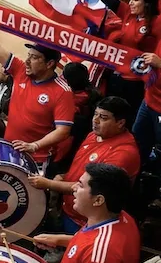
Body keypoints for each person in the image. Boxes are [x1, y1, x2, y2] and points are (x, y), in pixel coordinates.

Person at [31, 97, 140, 232]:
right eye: (95, 114)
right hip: (68, 209)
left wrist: (48, 184)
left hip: (85, 223)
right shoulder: (94, 135)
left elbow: (94, 189)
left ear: (121, 123)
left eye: (103, 118)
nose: (95, 120)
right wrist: (65, 176)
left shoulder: (123, 153)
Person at [0, 27, 74, 167]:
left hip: (35, 158)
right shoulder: (21, 70)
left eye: (34, 57)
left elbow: (63, 131)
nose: (27, 61)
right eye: (28, 55)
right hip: (8, 149)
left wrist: (34, 145)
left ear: (49, 64)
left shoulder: (62, 91)